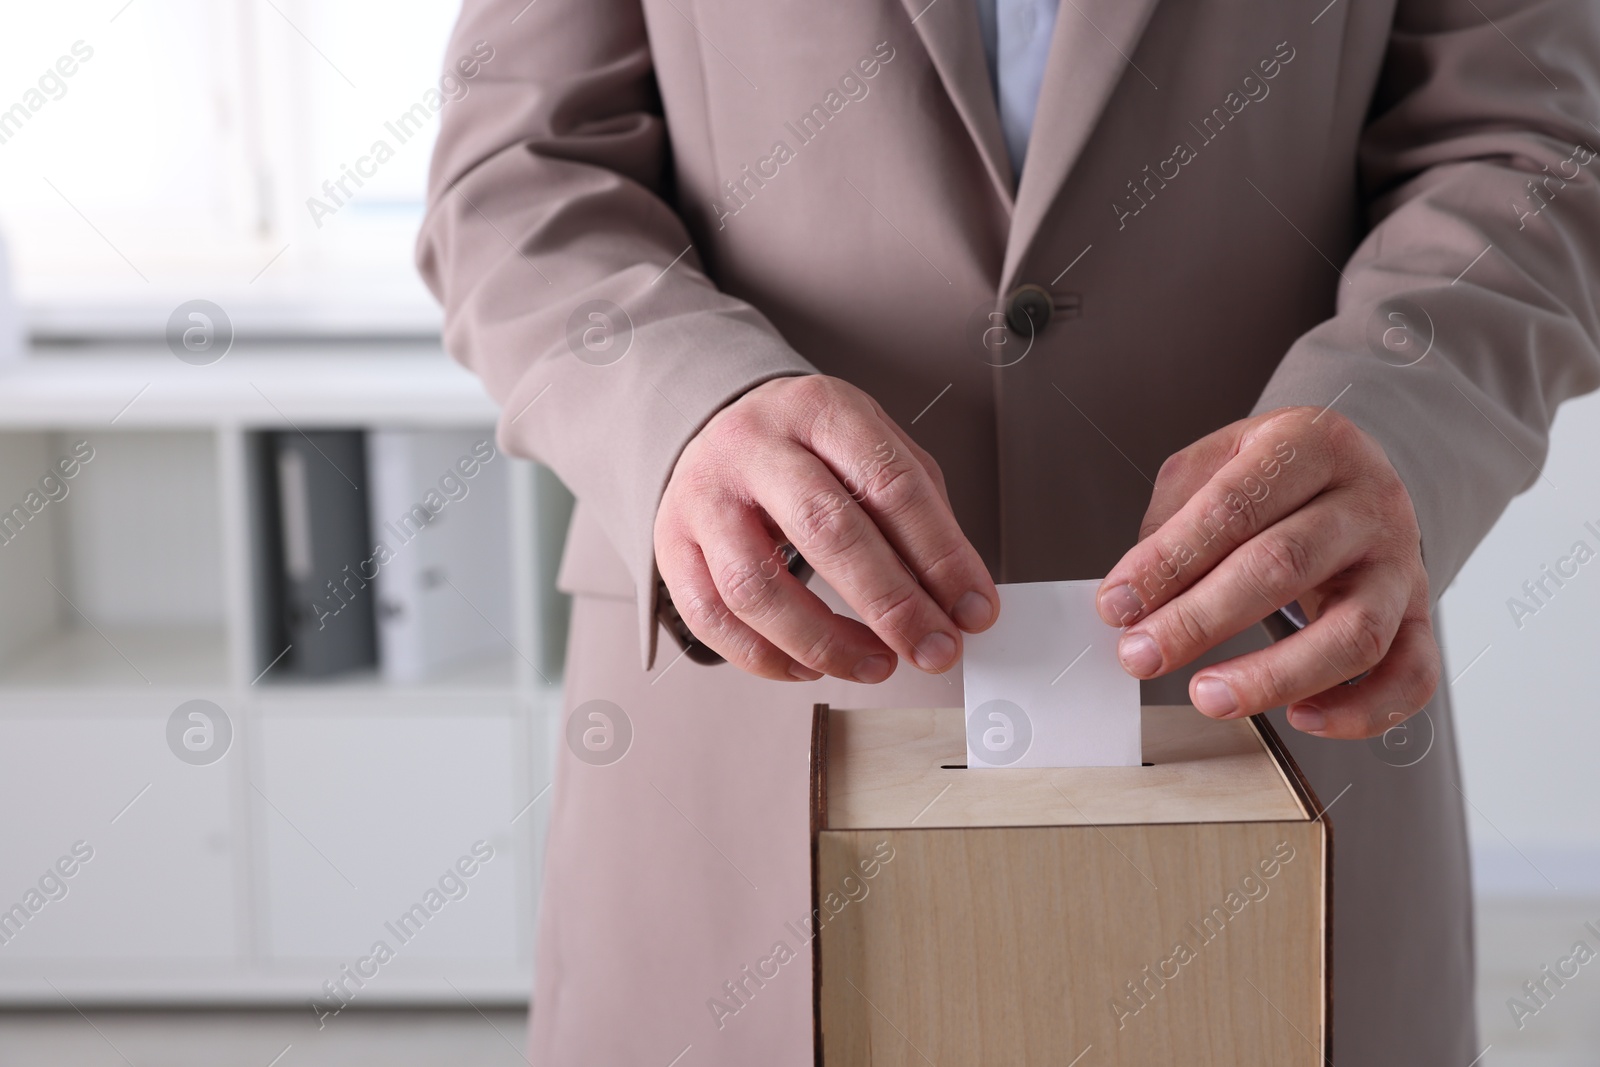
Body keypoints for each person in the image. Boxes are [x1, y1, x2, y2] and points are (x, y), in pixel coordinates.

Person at [418, 0, 1600, 1061]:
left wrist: (1391, 406)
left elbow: (1530, 153)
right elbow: (513, 172)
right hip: (754, 732)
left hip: (1267, 703)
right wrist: (681, 402)